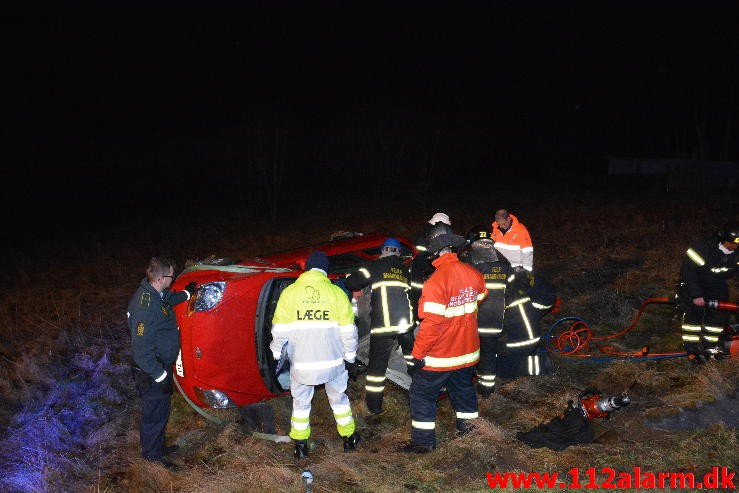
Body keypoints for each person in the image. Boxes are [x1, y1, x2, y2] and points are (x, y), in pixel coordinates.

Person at [404, 223, 487, 453]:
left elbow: (430, 326)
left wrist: (417, 355)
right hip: (468, 352)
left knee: (421, 394)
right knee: (463, 389)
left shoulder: (436, 282)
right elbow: (481, 297)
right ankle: (471, 430)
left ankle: (423, 443)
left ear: (436, 251)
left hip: (441, 357)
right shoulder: (474, 274)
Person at [270, 251, 361, 459]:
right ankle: (349, 439)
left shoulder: (290, 293)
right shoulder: (337, 294)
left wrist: (276, 352)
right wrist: (350, 358)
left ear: (307, 268)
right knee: (339, 399)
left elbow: (279, 330)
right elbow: (349, 332)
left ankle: (300, 447)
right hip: (333, 363)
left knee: (301, 403)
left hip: (302, 365)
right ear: (326, 270)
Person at [127, 256, 197, 468]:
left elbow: (168, 300)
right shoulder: (144, 307)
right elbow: (140, 351)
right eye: (171, 275)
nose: (173, 278)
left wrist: (187, 294)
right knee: (154, 414)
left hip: (159, 366)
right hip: (151, 370)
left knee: (161, 409)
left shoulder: (155, 294)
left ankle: (157, 447)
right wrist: (160, 375)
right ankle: (152, 459)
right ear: (161, 277)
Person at [344, 238, 414, 415]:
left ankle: (374, 407)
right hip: (406, 324)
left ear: (382, 251)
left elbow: (351, 282)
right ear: (398, 253)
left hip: (384, 325)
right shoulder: (405, 270)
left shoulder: (374, 266)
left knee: (377, 368)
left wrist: (359, 285)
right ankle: (421, 394)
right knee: (413, 360)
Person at [460, 225, 511, 397]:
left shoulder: (471, 260)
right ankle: (486, 391)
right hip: (496, 319)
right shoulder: (504, 261)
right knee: (489, 354)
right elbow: (510, 290)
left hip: (474, 319)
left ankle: (464, 387)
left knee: (468, 353)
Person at [677, 221, 739, 360]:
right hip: (694, 283)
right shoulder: (702, 248)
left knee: (720, 313)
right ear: (722, 238)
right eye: (732, 243)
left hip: (716, 283)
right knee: (694, 313)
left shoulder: (737, 253)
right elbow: (688, 272)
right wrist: (696, 294)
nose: (734, 246)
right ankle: (691, 348)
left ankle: (710, 346)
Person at [409, 212, 452, 333]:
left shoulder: (423, 236)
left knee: (420, 305)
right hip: (427, 276)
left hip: (419, 278)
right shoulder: (435, 237)